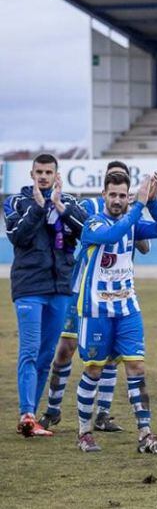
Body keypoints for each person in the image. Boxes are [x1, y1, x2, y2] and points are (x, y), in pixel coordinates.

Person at [39, 161, 151, 433]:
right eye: (113, 190)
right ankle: (53, 409)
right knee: (66, 349)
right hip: (83, 289)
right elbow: (73, 219)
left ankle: (102, 414)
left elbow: (145, 247)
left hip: (116, 292)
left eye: (123, 189)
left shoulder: (129, 208)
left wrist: (135, 213)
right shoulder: (91, 207)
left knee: (112, 357)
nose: (117, 197)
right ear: (105, 188)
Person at [74, 172, 157, 453]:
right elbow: (114, 234)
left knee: (137, 368)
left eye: (122, 195)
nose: (117, 200)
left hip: (127, 308)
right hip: (96, 310)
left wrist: (152, 201)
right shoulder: (93, 223)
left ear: (127, 195)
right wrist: (138, 206)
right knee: (93, 369)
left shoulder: (133, 222)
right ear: (104, 195)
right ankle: (84, 433)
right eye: (113, 195)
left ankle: (145, 435)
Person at [4, 153, 88, 437]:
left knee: (45, 355)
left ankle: (30, 418)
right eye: (38, 172)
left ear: (56, 174)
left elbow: (87, 231)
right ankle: (27, 413)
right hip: (29, 287)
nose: (43, 176)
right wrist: (39, 209)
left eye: (48, 172)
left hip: (59, 288)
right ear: (31, 174)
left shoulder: (69, 202)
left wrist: (60, 208)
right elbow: (18, 236)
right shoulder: (16, 201)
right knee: (29, 350)